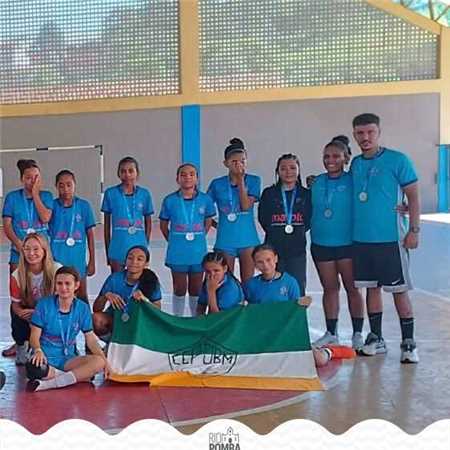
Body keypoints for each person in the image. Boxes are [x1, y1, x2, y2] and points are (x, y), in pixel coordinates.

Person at [350, 113, 420, 363]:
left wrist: (414, 229)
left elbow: (412, 195)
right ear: (354, 135)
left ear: (378, 132)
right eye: (360, 133)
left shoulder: (398, 160)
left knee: (399, 290)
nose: (365, 137)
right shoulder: (356, 164)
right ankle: (376, 338)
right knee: (372, 289)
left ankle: (408, 343)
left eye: (370, 132)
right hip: (362, 240)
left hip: (391, 239)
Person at [244, 244, 355, 367]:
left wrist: (303, 305)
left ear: (276, 258)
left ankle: (329, 351)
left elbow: (297, 312)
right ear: (254, 264)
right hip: (264, 333)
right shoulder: (251, 285)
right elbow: (248, 311)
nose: (265, 265)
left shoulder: (290, 282)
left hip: (287, 332)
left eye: (268, 260)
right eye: (260, 262)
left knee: (319, 361)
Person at [310, 137, 365, 351]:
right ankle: (331, 333)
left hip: (347, 244)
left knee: (352, 288)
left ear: (346, 158)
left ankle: (357, 333)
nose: (330, 160)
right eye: (326, 156)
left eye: (335, 156)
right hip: (321, 243)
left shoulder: (353, 181)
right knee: (330, 288)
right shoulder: (316, 183)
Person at [26, 266, 109, 392]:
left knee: (99, 362)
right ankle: (75, 376)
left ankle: (50, 383)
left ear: (76, 285)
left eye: (67, 284)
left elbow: (90, 339)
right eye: (59, 283)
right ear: (55, 285)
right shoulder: (44, 305)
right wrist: (37, 350)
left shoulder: (82, 308)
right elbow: (34, 336)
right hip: (46, 357)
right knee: (34, 369)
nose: (63, 288)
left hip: (69, 358)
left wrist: (105, 361)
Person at [2, 159, 53, 357]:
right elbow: (7, 226)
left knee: (44, 294)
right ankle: (20, 341)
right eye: (28, 177)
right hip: (18, 253)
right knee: (19, 295)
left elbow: (46, 218)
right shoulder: (12, 198)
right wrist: (20, 247)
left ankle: (40, 340)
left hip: (41, 255)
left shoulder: (46, 196)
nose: (32, 181)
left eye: (36, 177)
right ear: (22, 178)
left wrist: (35, 195)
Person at [160, 163, 216, 316]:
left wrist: (199, 236)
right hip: (178, 252)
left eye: (192, 174)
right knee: (179, 288)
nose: (187, 177)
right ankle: (177, 320)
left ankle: (195, 320)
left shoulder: (205, 199)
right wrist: (173, 240)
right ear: (177, 179)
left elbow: (208, 221)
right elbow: (164, 225)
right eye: (183, 174)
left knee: (196, 289)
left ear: (197, 178)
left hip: (198, 251)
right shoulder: (170, 200)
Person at [207, 138, 261, 283]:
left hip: (247, 239)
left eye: (242, 161)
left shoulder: (254, 180)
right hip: (225, 240)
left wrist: (241, 181)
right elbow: (204, 208)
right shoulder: (217, 184)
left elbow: (245, 206)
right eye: (234, 162)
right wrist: (216, 225)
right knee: (226, 282)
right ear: (226, 163)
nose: (239, 165)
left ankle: (247, 306)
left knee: (248, 283)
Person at [258, 153, 311, 295]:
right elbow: (263, 218)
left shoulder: (306, 194)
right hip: (273, 249)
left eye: (293, 168)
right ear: (277, 171)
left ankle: (297, 317)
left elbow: (309, 220)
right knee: (274, 288)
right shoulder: (269, 193)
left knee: (297, 288)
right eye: (283, 168)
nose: (288, 172)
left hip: (297, 249)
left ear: (299, 170)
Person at [9, 233, 61, 365]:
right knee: (14, 311)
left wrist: (38, 313)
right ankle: (22, 345)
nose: (31, 253)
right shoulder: (17, 275)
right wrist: (21, 312)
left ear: (44, 250)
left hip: (51, 310)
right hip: (29, 311)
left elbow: (65, 300)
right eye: (27, 249)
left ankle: (67, 344)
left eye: (36, 249)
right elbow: (15, 304)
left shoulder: (57, 270)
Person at [93, 246, 162, 342]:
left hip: (139, 322)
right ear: (125, 261)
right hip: (117, 319)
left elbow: (158, 310)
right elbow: (96, 309)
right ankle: (111, 344)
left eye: (139, 259)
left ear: (146, 264)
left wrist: (144, 299)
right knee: (96, 319)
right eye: (130, 258)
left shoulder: (151, 280)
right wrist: (105, 296)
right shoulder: (114, 279)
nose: (134, 262)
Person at [49, 170, 96, 301]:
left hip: (77, 260)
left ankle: (86, 321)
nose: (65, 189)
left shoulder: (84, 206)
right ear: (56, 186)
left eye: (69, 185)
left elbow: (90, 235)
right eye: (61, 185)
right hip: (57, 259)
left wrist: (92, 260)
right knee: (57, 295)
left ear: (75, 185)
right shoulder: (51, 206)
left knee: (81, 295)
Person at [101, 156, 154, 273]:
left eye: (131, 171)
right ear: (118, 174)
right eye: (123, 171)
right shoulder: (110, 194)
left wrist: (145, 245)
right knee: (118, 282)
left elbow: (148, 223)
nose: (127, 174)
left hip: (138, 246)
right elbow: (106, 226)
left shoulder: (144, 194)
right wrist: (108, 251)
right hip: (118, 247)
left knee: (138, 283)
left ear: (137, 173)